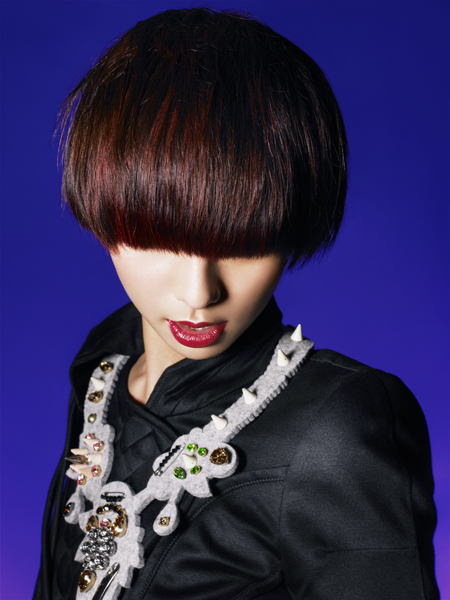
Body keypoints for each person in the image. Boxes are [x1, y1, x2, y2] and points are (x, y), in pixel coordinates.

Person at [34, 7, 439, 600]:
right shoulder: (104, 364)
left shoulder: (337, 426)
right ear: (102, 216)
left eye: (245, 245)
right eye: (158, 240)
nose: (200, 294)